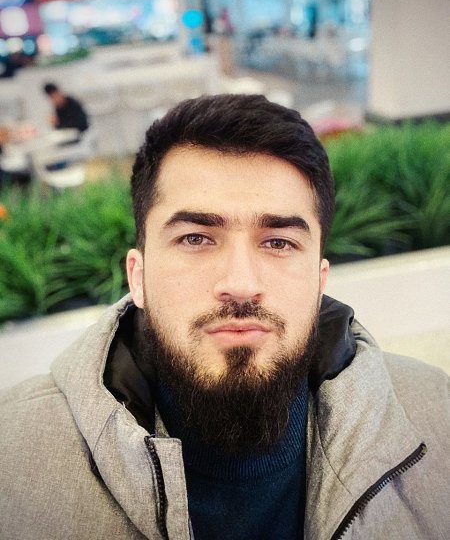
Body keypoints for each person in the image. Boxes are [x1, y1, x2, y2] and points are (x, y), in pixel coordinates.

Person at [0, 94, 448, 540]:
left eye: (278, 242)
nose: (240, 283)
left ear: (319, 280)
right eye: (195, 238)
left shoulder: (438, 417)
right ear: (138, 277)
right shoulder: (12, 455)